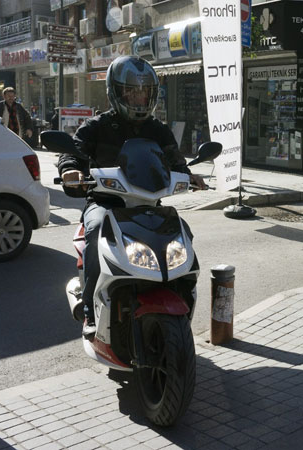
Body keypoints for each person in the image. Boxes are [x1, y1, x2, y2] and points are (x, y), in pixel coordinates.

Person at [57, 56, 207, 338]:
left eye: (144, 92)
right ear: (116, 92)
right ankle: (90, 309)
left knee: (183, 231)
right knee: (94, 229)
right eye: (132, 91)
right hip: (106, 203)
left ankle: (181, 291)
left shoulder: (157, 129)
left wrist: (190, 175)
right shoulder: (97, 126)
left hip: (149, 205)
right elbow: (72, 152)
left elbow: (175, 161)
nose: (139, 98)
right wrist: (70, 170)